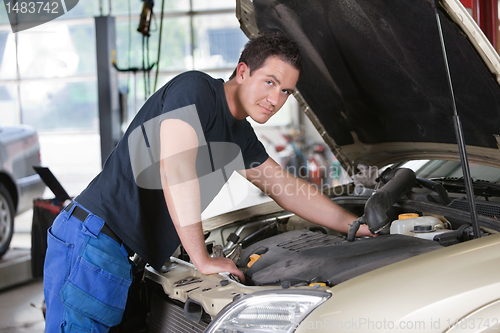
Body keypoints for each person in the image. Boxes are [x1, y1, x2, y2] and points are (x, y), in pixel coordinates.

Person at [43, 30, 373, 333]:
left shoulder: (241, 136)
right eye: (270, 82)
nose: (276, 100)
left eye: (286, 91)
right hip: (93, 240)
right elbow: (177, 170)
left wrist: (352, 223)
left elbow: (286, 188)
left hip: (116, 253)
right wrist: (201, 258)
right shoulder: (197, 91)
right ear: (243, 71)